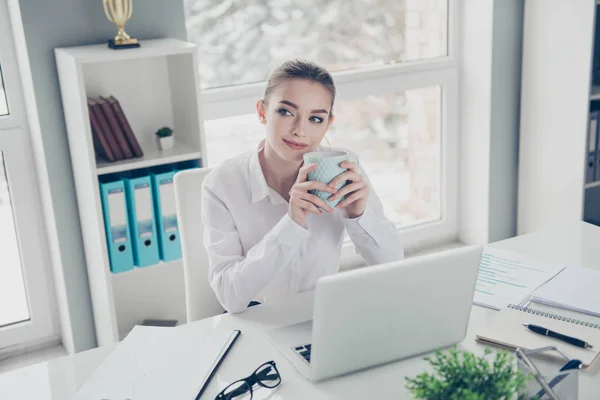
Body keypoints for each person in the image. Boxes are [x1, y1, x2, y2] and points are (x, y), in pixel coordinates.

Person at [201, 59, 404, 313]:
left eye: (315, 119)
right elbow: (229, 296)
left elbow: (393, 264)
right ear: (262, 112)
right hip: (256, 320)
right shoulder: (222, 184)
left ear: (328, 123)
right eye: (286, 112)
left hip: (320, 316)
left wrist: (359, 216)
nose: (299, 130)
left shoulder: (343, 169)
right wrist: (291, 223)